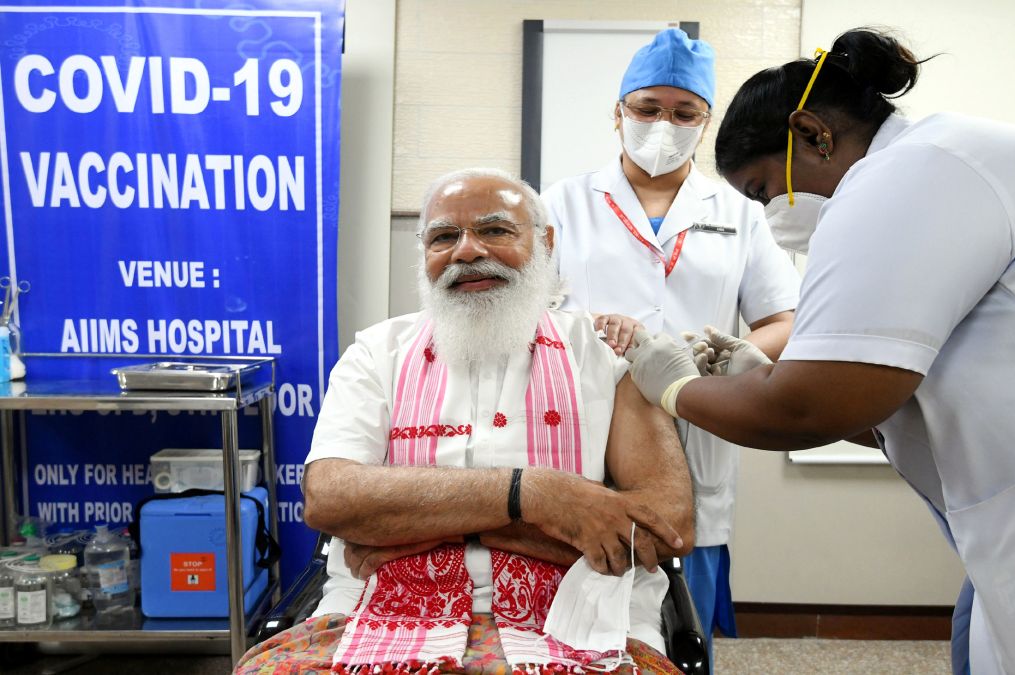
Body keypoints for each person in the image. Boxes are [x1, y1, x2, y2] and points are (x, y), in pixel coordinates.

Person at [621, 26, 1015, 675]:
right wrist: (756, 375)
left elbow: (808, 409)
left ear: (814, 133)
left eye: (763, 190)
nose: (772, 214)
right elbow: (893, 406)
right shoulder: (933, 167)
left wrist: (673, 384)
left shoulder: (909, 174)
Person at [237, 168, 694, 675]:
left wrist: (424, 524)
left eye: (495, 230)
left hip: (581, 616)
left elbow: (666, 526)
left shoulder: (611, 355)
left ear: (544, 242)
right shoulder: (376, 353)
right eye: (444, 237)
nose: (467, 251)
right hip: (379, 609)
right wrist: (537, 495)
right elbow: (330, 498)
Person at [541, 28, 801, 649]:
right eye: (648, 108)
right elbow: (529, 316)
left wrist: (727, 360)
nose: (665, 123)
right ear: (619, 114)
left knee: (683, 604)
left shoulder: (738, 211)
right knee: (578, 608)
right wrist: (593, 337)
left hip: (697, 419)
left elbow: (784, 318)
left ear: (705, 122)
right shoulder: (564, 204)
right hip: (587, 417)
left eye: (684, 112)